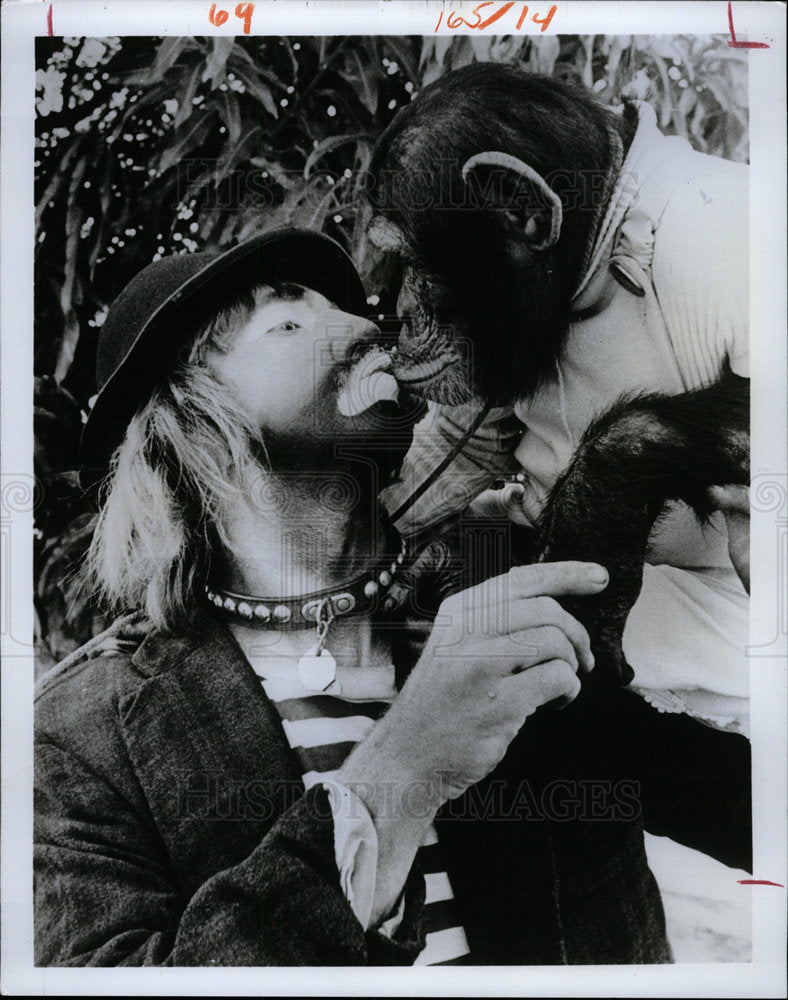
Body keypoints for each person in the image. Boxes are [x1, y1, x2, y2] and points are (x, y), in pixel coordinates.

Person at [35, 228, 749, 967]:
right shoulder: (80, 737)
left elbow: (733, 800)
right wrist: (402, 773)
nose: (368, 329)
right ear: (194, 424)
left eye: (348, 310)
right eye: (287, 322)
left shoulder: (499, 593)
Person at [371, 64, 751, 737]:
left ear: (523, 209)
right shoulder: (532, 280)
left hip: (737, 712)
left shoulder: (720, 223)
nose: (405, 306)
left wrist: (630, 454)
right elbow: (430, 480)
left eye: (422, 267)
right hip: (623, 706)